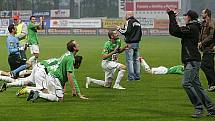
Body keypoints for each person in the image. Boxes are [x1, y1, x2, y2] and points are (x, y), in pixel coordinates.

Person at [167, 8, 215, 118]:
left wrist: (171, 15)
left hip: (192, 61)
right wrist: (172, 17)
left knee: (186, 83)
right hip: (192, 60)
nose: (184, 17)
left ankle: (198, 108)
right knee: (197, 86)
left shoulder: (192, 28)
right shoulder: (193, 28)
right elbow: (174, 31)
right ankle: (211, 108)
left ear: (189, 17)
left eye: (185, 16)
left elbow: (174, 31)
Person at [117, 11, 142, 81]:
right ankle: (137, 77)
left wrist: (119, 29)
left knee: (129, 61)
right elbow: (140, 33)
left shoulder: (129, 21)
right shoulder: (137, 22)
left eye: (126, 14)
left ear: (128, 15)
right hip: (137, 43)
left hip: (130, 43)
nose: (125, 16)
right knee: (136, 61)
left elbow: (126, 31)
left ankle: (131, 77)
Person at [198, 9, 215, 92]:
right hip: (206, 48)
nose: (201, 14)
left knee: (204, 65)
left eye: (203, 12)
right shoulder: (204, 23)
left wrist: (202, 42)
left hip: (210, 48)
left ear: (207, 14)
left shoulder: (211, 22)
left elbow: (212, 36)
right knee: (209, 67)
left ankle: (213, 83)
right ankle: (212, 85)